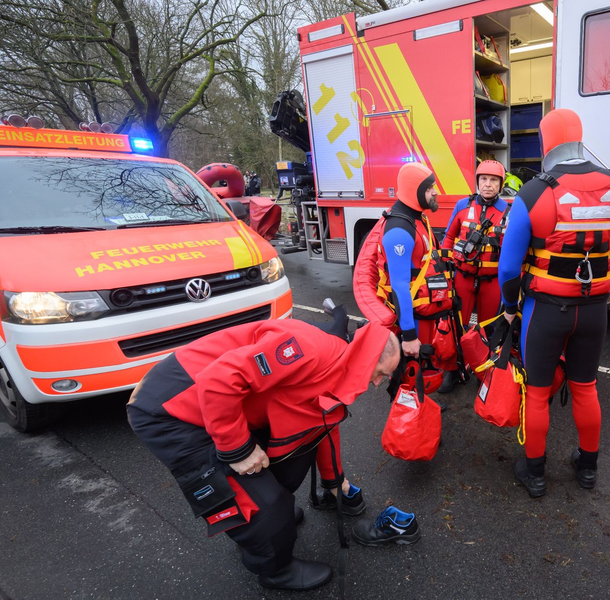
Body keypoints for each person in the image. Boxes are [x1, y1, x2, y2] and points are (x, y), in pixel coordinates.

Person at [127, 317, 401, 591]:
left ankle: (265, 530)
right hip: (173, 409)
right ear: (366, 358)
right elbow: (217, 380)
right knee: (262, 506)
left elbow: (323, 425)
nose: (378, 384)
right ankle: (275, 569)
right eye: (380, 373)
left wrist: (335, 482)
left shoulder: (340, 365)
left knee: (291, 466)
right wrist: (237, 448)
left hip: (223, 406)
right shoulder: (309, 349)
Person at [497, 108, 610, 498]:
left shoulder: (534, 192)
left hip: (546, 309)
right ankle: (587, 469)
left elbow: (508, 267)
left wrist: (509, 306)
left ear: (545, 141)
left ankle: (535, 473)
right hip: (594, 310)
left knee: (537, 392)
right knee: (586, 387)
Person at [439, 159, 510, 392]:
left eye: (493, 180)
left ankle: (483, 371)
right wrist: (445, 266)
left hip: (492, 282)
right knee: (456, 325)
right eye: (483, 179)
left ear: (501, 184)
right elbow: (448, 238)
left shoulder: (508, 211)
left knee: (487, 328)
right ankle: (452, 370)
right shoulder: (462, 205)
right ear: (477, 182)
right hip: (463, 277)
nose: (487, 184)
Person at [373, 162, 454, 359]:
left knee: (427, 372)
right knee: (412, 376)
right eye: (429, 188)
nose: (435, 192)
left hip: (425, 312)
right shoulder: (399, 230)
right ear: (413, 190)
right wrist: (409, 335)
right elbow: (399, 285)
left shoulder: (417, 218)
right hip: (413, 320)